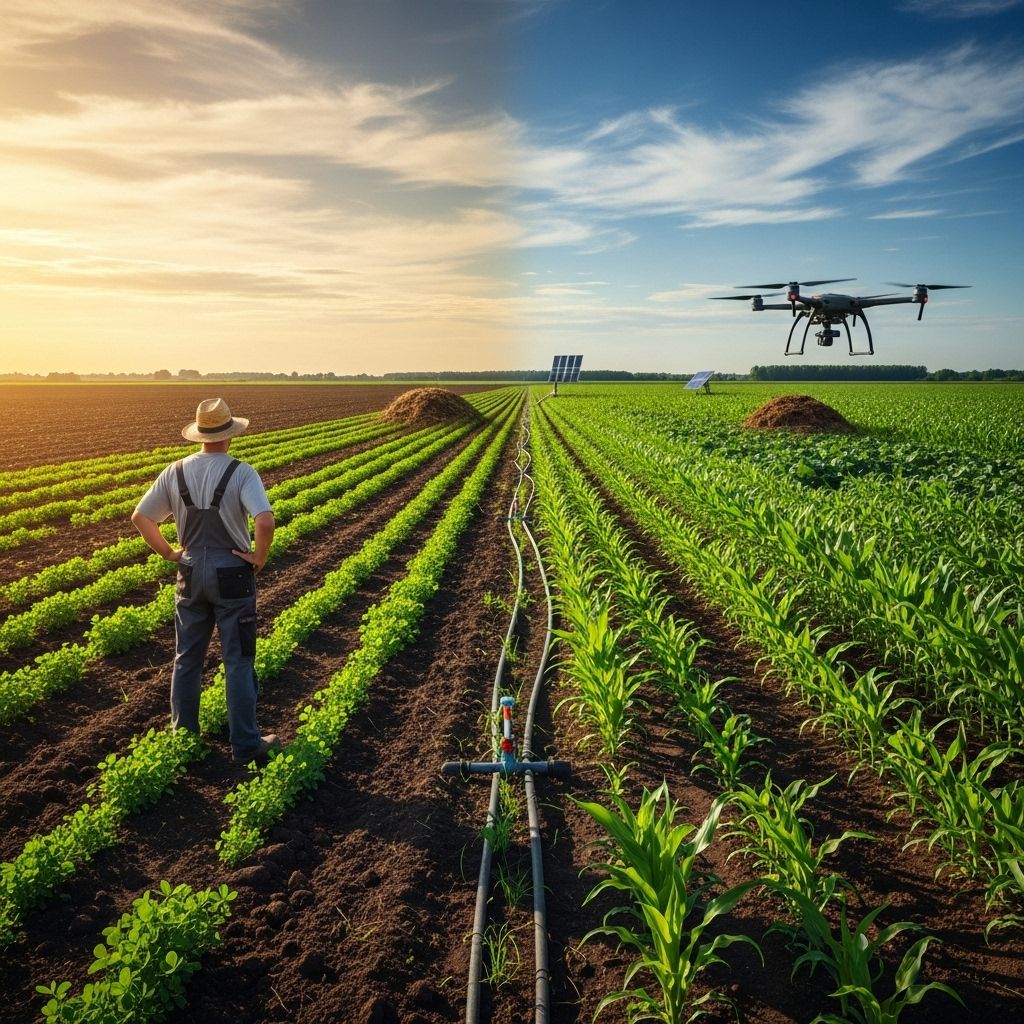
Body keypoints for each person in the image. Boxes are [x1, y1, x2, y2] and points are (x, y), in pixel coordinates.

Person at [131, 397, 279, 765]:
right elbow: (264, 520)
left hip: (191, 570)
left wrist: (169, 553)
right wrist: (258, 557)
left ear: (199, 435)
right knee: (239, 661)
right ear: (230, 435)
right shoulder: (242, 472)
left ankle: (183, 739)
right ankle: (246, 745)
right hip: (232, 573)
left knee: (187, 660)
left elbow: (141, 518)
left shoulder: (176, 471)